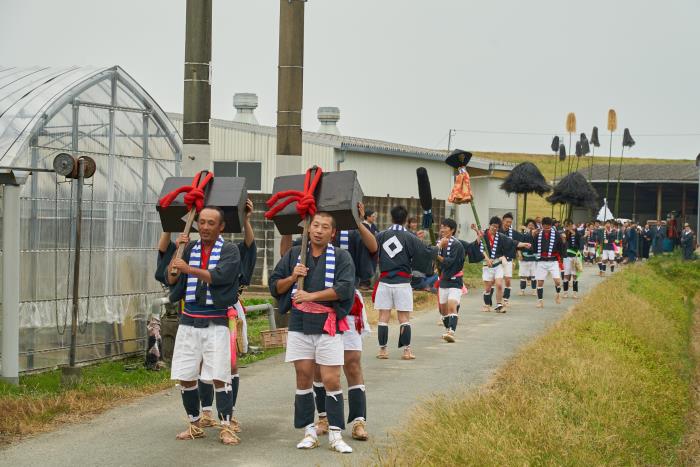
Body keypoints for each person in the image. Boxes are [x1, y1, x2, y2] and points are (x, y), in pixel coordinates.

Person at [269, 212, 355, 453]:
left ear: (333, 233)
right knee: (303, 376)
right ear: (308, 228)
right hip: (300, 322)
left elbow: (345, 288)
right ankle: (309, 431)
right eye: (315, 225)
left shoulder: (341, 256)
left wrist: (312, 296)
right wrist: (293, 276)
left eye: (324, 227)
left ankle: (336, 434)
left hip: (327, 323)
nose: (318, 230)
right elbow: (275, 286)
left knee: (331, 379)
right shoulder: (294, 254)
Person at [159, 206, 242, 445]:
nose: (204, 227)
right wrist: (178, 253)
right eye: (201, 222)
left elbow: (220, 277)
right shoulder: (191, 247)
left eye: (210, 223)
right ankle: (194, 424)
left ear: (221, 227)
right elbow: (172, 278)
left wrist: (189, 268)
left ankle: (226, 426)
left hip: (216, 321)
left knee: (220, 376)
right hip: (189, 320)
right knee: (186, 375)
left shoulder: (230, 250)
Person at [310, 203, 377, 443]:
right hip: (315, 306)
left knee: (351, 362)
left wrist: (358, 220)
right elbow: (289, 251)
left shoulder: (353, 230)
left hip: (347, 304)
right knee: (319, 366)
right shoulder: (313, 225)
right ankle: (324, 417)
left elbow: (373, 247)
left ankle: (359, 420)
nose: (319, 229)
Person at [374, 205, 437, 360]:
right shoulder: (410, 237)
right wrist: (437, 248)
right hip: (402, 282)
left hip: (384, 281)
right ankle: (407, 351)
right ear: (405, 219)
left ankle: (383, 350)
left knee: (383, 317)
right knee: (404, 318)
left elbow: (372, 253)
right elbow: (425, 254)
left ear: (391, 217)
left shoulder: (380, 235)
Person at [435, 219, 482, 342]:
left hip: (455, 280)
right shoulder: (439, 243)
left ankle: (451, 332)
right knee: (442, 309)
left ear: (452, 230)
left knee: (451, 305)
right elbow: (433, 259)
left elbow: (449, 262)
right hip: (444, 280)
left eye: (445, 227)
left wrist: (436, 255)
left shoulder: (457, 245)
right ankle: (448, 328)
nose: (442, 229)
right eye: (442, 227)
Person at [479, 216, 513, 313]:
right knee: (488, 288)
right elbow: (481, 249)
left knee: (498, 284)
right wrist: (487, 259)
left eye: (497, 227)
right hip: (487, 264)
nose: (495, 228)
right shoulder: (484, 236)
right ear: (490, 225)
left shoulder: (501, 237)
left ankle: (499, 305)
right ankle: (486, 304)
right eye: (493, 226)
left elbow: (509, 245)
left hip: (498, 263)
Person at [530, 216, 565, 308]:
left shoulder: (557, 234)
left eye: (548, 227)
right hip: (542, 260)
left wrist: (561, 259)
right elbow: (534, 247)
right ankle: (540, 301)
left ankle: (558, 294)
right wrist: (533, 237)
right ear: (542, 226)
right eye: (545, 227)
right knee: (540, 282)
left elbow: (561, 247)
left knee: (557, 281)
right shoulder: (538, 234)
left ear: (551, 226)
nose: (546, 229)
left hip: (553, 260)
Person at [500, 212, 531, 305]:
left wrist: (529, 233)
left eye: (510, 222)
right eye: (507, 222)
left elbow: (523, 238)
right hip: (498, 259)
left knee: (508, 280)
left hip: (509, 259)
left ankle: (505, 299)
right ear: (503, 221)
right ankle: (490, 301)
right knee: (495, 281)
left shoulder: (513, 233)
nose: (508, 224)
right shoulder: (497, 231)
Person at [518, 219, 539, 296]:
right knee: (523, 275)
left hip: (534, 258)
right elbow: (518, 245)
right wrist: (519, 254)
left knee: (534, 275)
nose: (531, 226)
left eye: (532, 225)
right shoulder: (522, 235)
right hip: (524, 257)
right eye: (529, 225)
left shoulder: (537, 235)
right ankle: (522, 290)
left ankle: (534, 290)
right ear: (526, 226)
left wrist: (528, 230)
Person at [562, 220, 582, 299]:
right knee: (566, 274)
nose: (570, 227)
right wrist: (564, 238)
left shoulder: (578, 234)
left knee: (575, 275)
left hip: (575, 256)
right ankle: (565, 292)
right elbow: (564, 243)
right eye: (568, 225)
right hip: (567, 257)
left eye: (571, 225)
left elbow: (579, 245)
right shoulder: (565, 234)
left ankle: (574, 293)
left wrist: (574, 233)